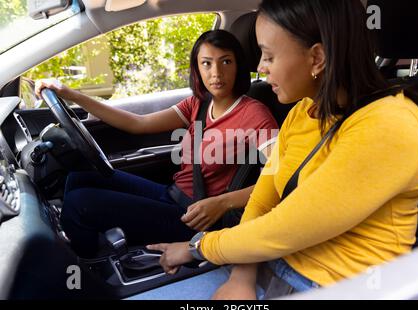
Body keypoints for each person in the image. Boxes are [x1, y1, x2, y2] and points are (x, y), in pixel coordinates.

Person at [131, 0, 418, 300]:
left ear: (317, 57)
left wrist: (196, 247)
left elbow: (287, 228)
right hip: (266, 263)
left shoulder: (390, 124)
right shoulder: (302, 112)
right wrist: (242, 277)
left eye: (268, 56)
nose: (260, 67)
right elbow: (264, 199)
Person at [35, 30, 279, 258]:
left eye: (226, 61)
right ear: (197, 68)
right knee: (78, 177)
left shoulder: (255, 115)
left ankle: (86, 275)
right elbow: (138, 124)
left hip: (197, 218)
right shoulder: (199, 104)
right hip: (172, 196)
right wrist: (72, 95)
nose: (216, 72)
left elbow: (280, 180)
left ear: (239, 66)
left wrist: (223, 202)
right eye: (207, 63)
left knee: (80, 205)